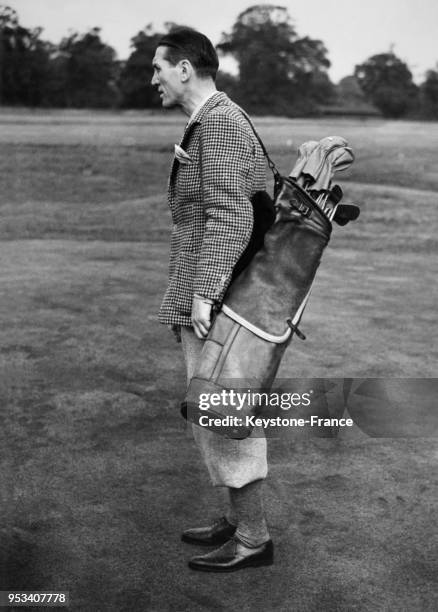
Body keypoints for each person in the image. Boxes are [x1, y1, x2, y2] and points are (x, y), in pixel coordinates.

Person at [152, 27, 273, 572]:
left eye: (158, 67)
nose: (152, 77)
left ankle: (253, 538)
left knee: (225, 414)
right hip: (216, 294)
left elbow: (232, 214)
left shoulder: (219, 122)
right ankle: (235, 521)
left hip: (218, 301)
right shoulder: (210, 120)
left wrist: (205, 295)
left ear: (185, 69)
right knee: (215, 411)